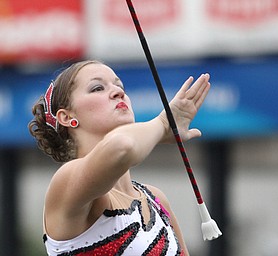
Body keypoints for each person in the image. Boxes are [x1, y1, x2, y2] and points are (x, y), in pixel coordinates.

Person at [29, 60, 211, 256]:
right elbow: (122, 147)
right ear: (66, 117)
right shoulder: (67, 183)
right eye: (97, 88)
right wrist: (163, 124)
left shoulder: (156, 199)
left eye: (119, 85)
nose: (118, 92)